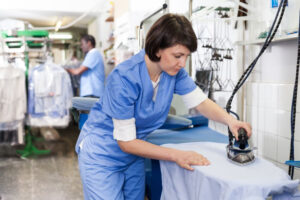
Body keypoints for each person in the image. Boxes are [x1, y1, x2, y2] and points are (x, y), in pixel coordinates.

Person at [76, 14, 252, 200]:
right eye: (178, 56)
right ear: (158, 49)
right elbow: (126, 142)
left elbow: (200, 102)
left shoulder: (173, 72)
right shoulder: (124, 78)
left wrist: (231, 121)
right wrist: (177, 155)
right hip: (102, 155)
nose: (182, 63)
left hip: (133, 156)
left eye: (186, 56)